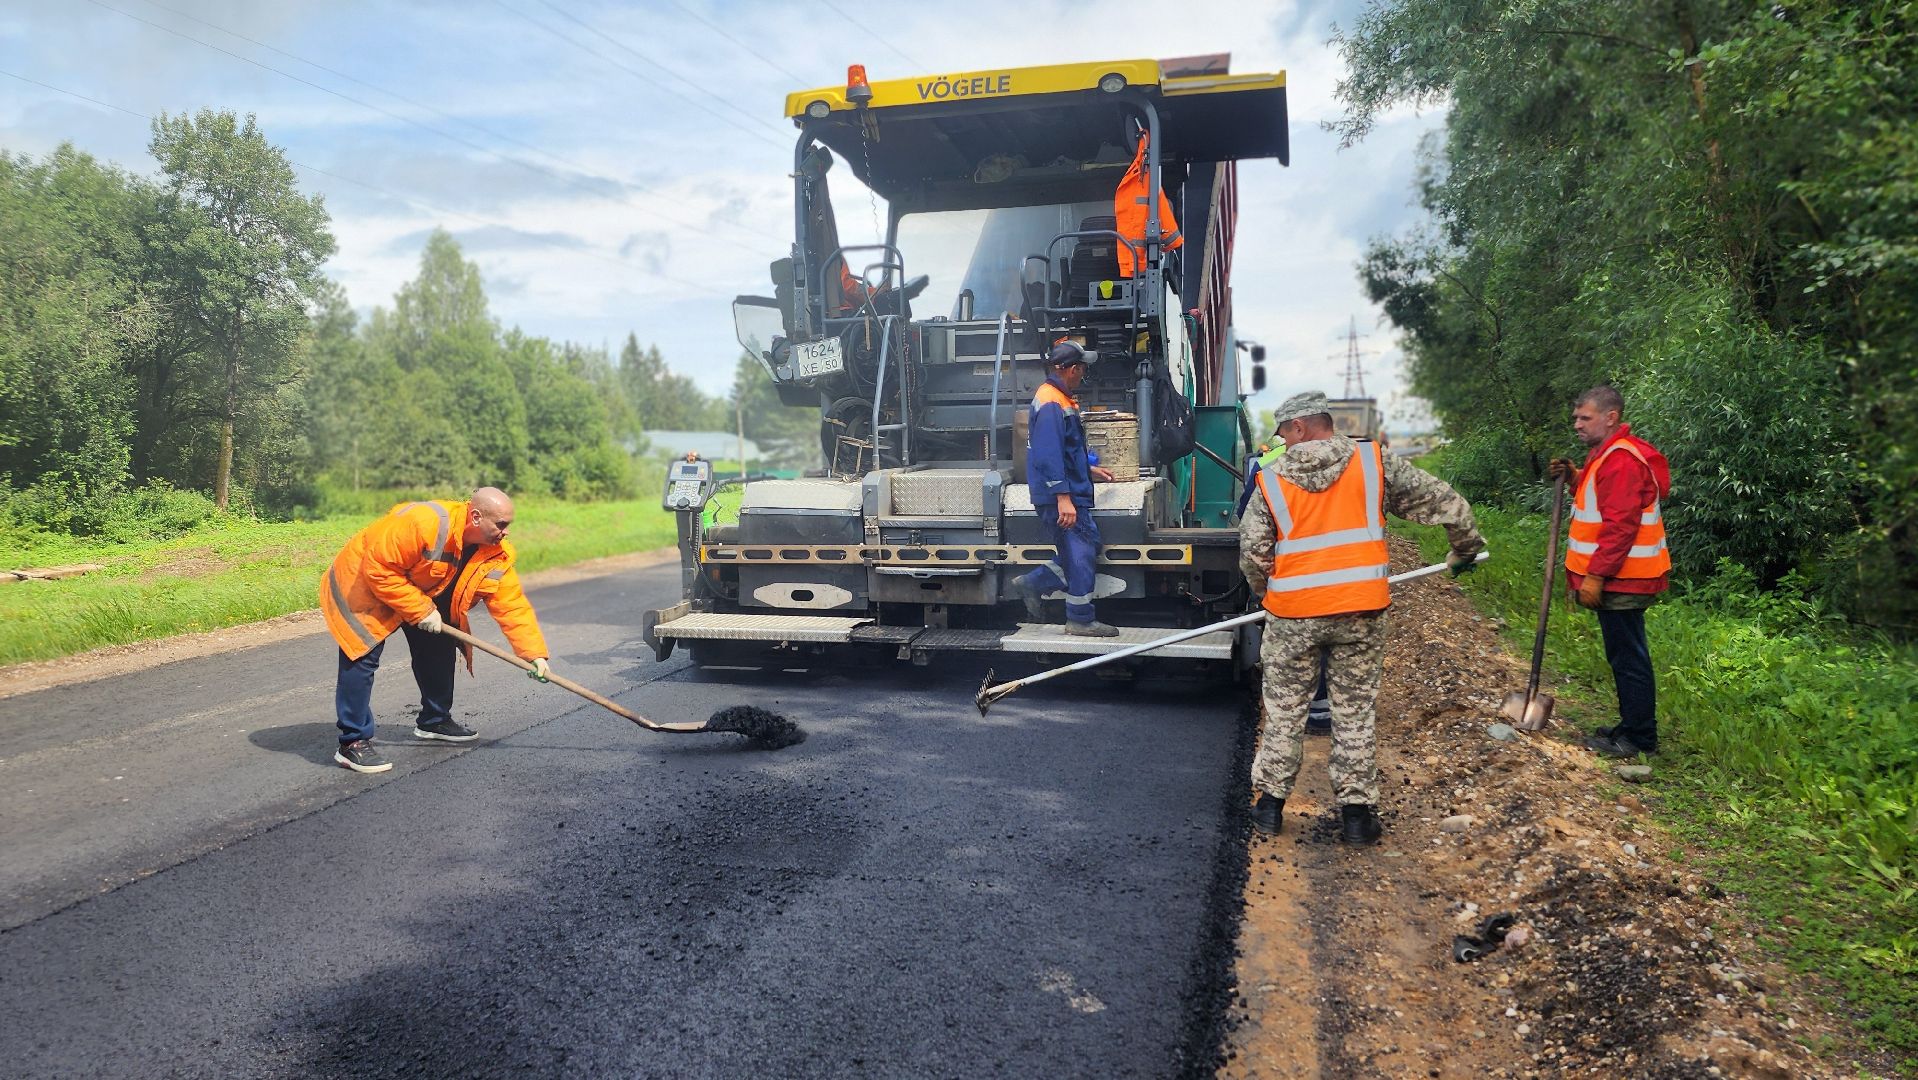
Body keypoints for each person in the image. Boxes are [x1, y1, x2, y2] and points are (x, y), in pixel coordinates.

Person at [1240, 391, 1486, 842]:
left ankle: (1270, 808)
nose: (1283, 442)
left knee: (1284, 712)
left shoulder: (1271, 481)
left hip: (1294, 616)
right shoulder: (1374, 463)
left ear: (1300, 427)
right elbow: (1446, 502)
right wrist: (1465, 548)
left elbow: (1253, 556)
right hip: (1359, 610)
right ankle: (1357, 817)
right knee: (1353, 712)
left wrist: (1269, 596)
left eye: (1284, 433)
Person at [319, 487, 552, 774]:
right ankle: (352, 743)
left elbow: (512, 606)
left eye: (508, 525)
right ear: (476, 517)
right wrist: (420, 609)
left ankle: (434, 720)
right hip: (363, 583)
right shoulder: (425, 522)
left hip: (421, 588)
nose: (506, 532)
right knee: (361, 653)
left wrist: (534, 654)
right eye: (501, 524)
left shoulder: (496, 554)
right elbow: (379, 568)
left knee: (440, 644)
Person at [1548, 385, 1672, 759]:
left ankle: (1639, 739)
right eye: (1576, 418)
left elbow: (1620, 527)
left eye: (1584, 417)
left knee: (1629, 657)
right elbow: (1599, 499)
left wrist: (1596, 575)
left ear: (1611, 417)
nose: (1577, 425)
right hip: (1624, 577)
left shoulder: (1620, 460)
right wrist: (1573, 476)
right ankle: (1630, 726)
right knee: (1624, 654)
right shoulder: (1607, 456)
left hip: (1624, 578)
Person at [1007, 340, 1119, 637]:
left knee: (1086, 547)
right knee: (1080, 554)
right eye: (1081, 368)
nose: (1083, 373)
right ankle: (1080, 618)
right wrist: (1063, 498)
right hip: (1061, 495)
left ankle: (1034, 582)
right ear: (1070, 369)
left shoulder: (1058, 397)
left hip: (1068, 489)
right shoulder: (1052, 402)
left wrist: (1087, 468)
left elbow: (1063, 449)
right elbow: (1047, 453)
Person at [1238, 435, 1333, 735]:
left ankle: (1296, 712)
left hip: (1290, 573)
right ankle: (1324, 711)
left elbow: (1248, 526)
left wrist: (1262, 590)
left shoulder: (1267, 467)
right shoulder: (1350, 463)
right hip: (1337, 571)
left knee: (1293, 644)